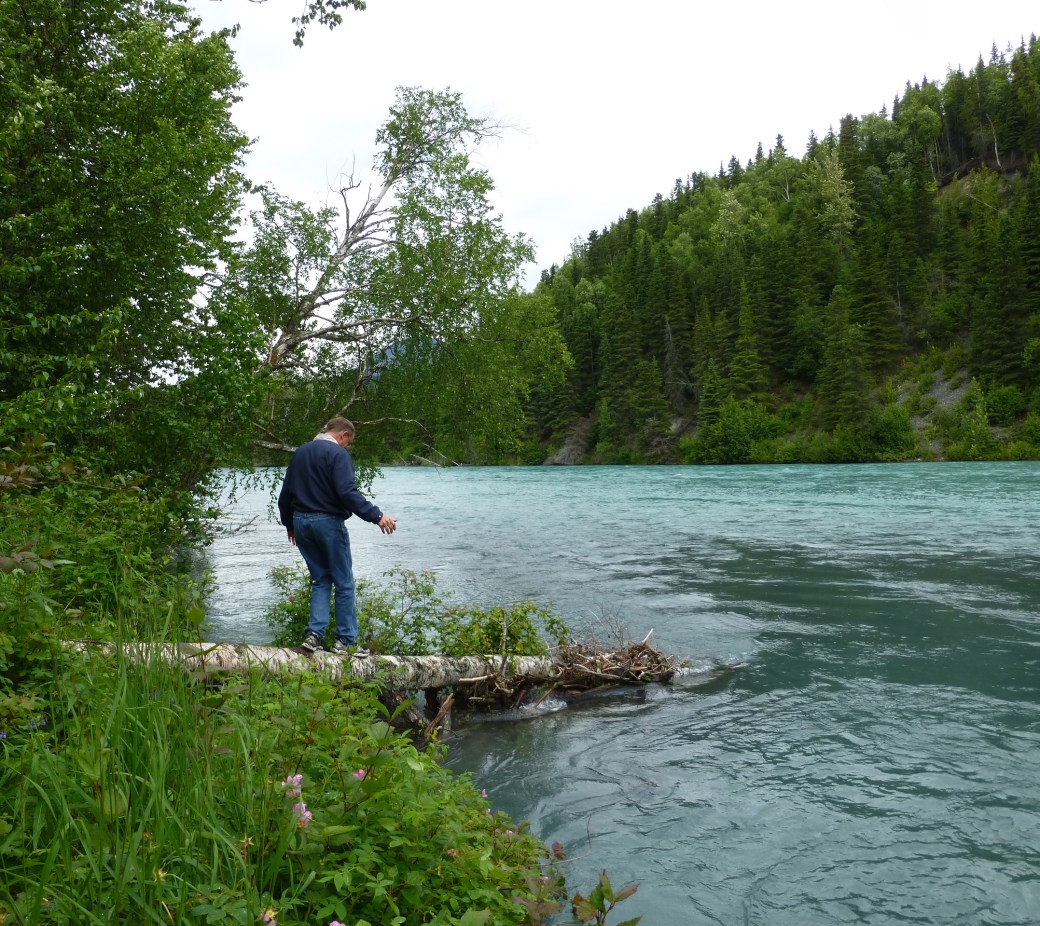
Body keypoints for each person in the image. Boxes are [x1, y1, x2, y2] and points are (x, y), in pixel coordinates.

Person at [277, 416, 397, 656]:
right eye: (348, 442)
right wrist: (377, 516)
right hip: (327, 522)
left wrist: (290, 525)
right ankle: (346, 641)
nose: (346, 447)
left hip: (301, 522)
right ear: (343, 435)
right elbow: (346, 492)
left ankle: (314, 636)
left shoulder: (300, 452)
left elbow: (285, 493)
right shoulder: (338, 454)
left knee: (321, 580)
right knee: (344, 583)